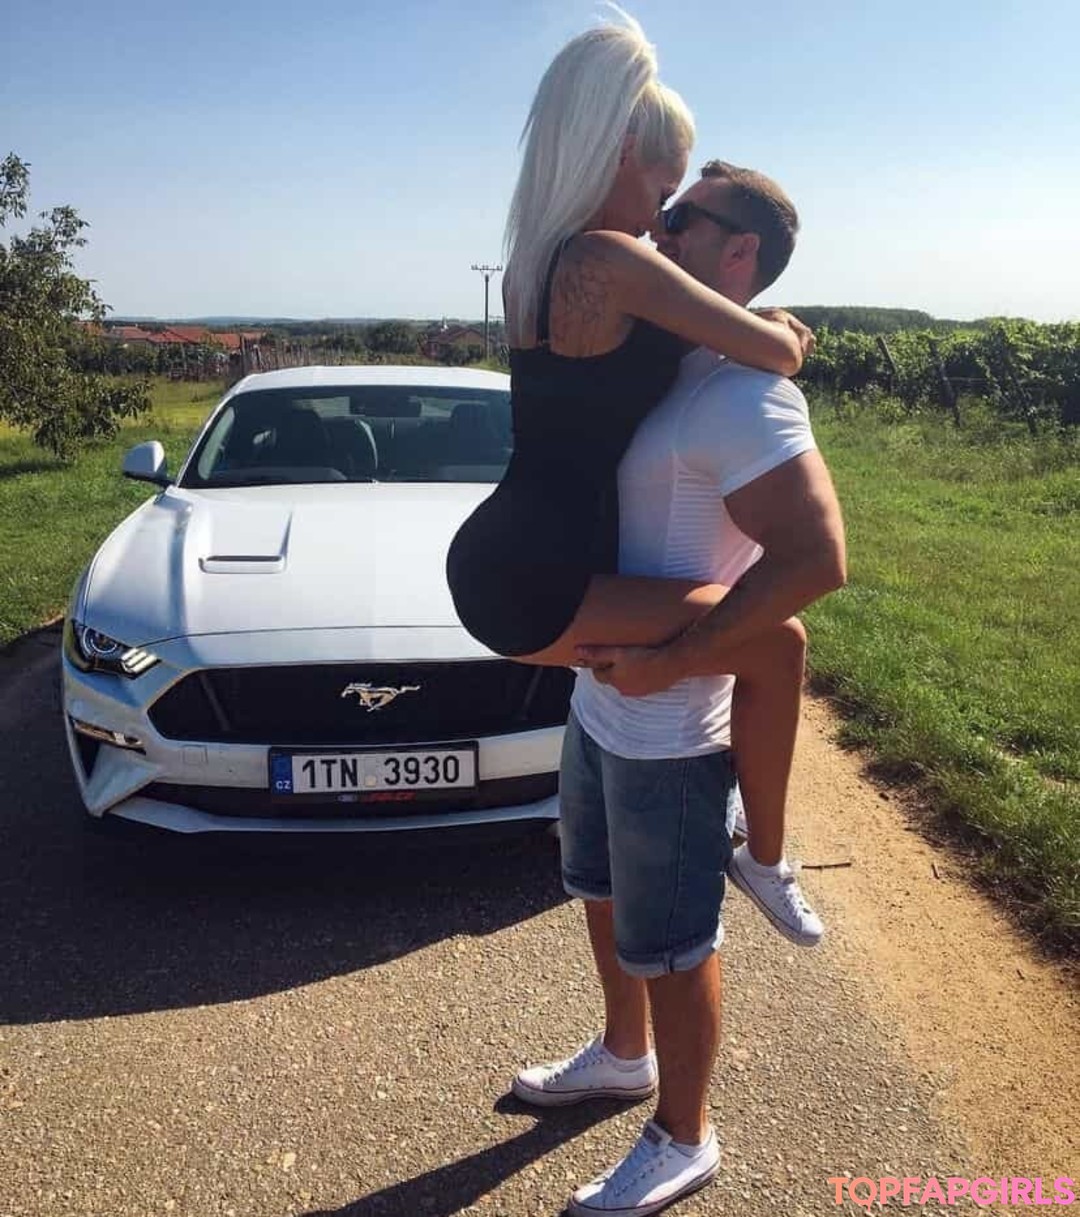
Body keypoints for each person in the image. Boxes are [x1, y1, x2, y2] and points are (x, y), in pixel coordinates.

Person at [514, 161, 847, 1216]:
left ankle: (685, 1134)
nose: (657, 228)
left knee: (672, 942)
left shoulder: (751, 397)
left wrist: (672, 659)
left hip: (674, 728)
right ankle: (624, 1055)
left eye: (682, 217)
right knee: (599, 892)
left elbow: (816, 559)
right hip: (602, 705)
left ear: (739, 251)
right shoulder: (674, 357)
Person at [445, 13, 817, 941]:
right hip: (539, 580)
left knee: (744, 649)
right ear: (619, 150)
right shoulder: (615, 261)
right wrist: (785, 328)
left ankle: (741, 847)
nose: (660, 216)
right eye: (662, 188)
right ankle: (765, 859)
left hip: (502, 557)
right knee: (778, 643)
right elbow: (772, 350)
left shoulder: (534, 263)